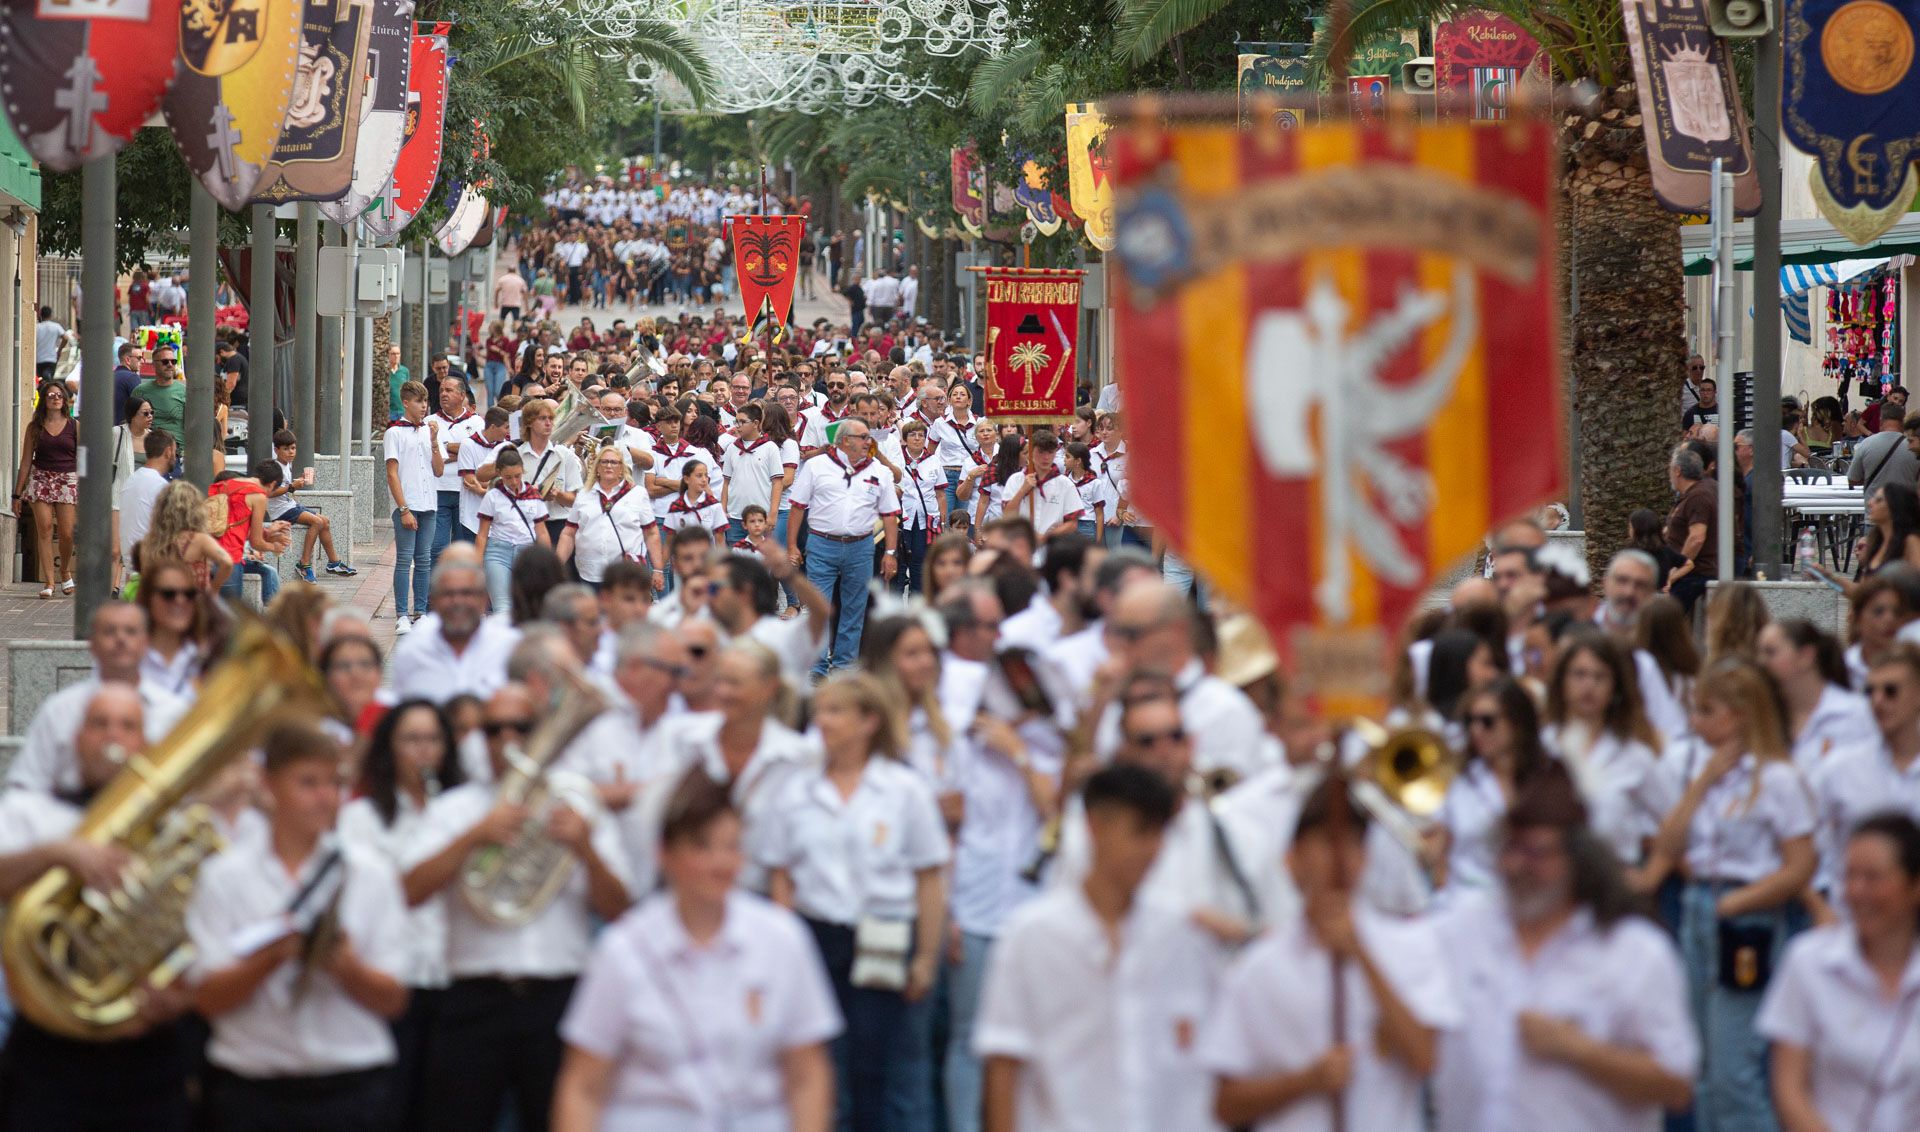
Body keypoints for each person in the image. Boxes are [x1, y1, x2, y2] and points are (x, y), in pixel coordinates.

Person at [402, 682, 635, 1132]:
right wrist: (473, 838)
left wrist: (586, 849)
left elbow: (621, 912)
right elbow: (408, 892)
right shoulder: (456, 809)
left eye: (521, 728)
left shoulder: (576, 806)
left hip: (559, 998)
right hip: (472, 998)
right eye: (493, 730)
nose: (507, 740)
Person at [552, 771, 840, 1132]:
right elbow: (583, 1085)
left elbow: (807, 1074)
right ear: (665, 853)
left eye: (732, 847)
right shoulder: (623, 949)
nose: (721, 863)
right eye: (703, 847)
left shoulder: (782, 940)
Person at [1431, 772, 1697, 1132]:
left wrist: (1579, 1050)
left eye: (1536, 853)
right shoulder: (1463, 929)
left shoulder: (1635, 951)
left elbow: (1676, 1084)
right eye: (1510, 849)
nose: (1517, 866)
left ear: (1578, 860)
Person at [1200, 775, 1460, 1132]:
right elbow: (1226, 1104)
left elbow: (1425, 1057)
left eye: (1352, 843)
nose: (1340, 858)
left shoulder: (1410, 946)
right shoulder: (1257, 969)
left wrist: (1362, 954)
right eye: (1325, 842)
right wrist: (1306, 1082)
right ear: (1293, 859)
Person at [186, 723, 412, 1132]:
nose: (326, 797)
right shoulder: (224, 876)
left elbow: (394, 1000)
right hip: (253, 1091)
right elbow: (207, 999)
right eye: (308, 783)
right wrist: (273, 955)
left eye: (334, 783)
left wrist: (345, 966)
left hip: (351, 1088)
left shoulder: (370, 873)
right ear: (268, 785)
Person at [975, 764, 1219, 1132]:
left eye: (1160, 834)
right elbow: (1004, 1062)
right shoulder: (1033, 935)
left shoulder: (1180, 935)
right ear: (1095, 827)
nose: (1152, 849)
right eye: (1139, 832)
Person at [0, 684, 197, 1131]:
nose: (113, 736)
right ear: (77, 740)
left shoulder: (175, 831)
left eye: (127, 726)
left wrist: (179, 996)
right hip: (49, 1049)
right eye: (99, 723)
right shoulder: (33, 813)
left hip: (147, 1053)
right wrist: (60, 854)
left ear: (144, 745)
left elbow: (204, 932)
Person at [759, 672, 950, 1132]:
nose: (823, 722)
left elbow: (928, 876)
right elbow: (781, 873)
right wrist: (784, 949)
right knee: (824, 1064)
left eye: (836, 711)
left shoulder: (904, 789)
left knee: (883, 1065)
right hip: (818, 933)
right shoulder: (796, 790)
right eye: (820, 712)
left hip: (884, 931)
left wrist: (926, 956)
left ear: (868, 721)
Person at [1645, 659, 1817, 1132]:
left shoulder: (1778, 779)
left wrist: (1739, 902)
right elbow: (1667, 844)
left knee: (1733, 1068)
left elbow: (1800, 864)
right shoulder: (1702, 770)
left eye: (1707, 711)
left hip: (1745, 915)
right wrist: (1701, 784)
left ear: (1739, 715)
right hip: (1698, 906)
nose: (1695, 721)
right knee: (1697, 1062)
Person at [338, 699, 467, 1129]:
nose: (423, 751)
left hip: (453, 979)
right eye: (411, 740)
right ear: (389, 750)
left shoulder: (466, 813)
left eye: (433, 739)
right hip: (394, 980)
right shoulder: (361, 818)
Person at [1759, 813, 1920, 1132]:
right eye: (1850, 877)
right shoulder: (1808, 962)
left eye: (1873, 878)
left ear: (1914, 886)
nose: (1857, 891)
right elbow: (1789, 1089)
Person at [1540, 631, 1678, 869]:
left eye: (1600, 677)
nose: (1589, 685)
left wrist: (1650, 876)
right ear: (1562, 681)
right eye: (1579, 674)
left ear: (1615, 686)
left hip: (1614, 875)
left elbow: (1675, 819)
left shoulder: (1633, 754)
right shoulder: (1542, 746)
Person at [1807, 645, 1920, 920]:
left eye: (1891, 691)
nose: (1878, 701)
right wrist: (1820, 910)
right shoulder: (1839, 768)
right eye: (1870, 692)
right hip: (1853, 921)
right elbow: (1800, 849)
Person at [785, 417, 900, 675]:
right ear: (845, 441)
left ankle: (844, 666)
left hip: (861, 546)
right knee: (819, 606)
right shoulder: (816, 466)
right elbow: (797, 506)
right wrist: (792, 546)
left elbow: (890, 514)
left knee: (854, 608)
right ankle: (816, 668)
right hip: (822, 544)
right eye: (864, 437)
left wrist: (890, 552)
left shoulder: (879, 470)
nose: (869, 442)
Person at [390, 559, 525, 704]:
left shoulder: (508, 647)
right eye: (448, 594)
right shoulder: (414, 650)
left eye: (467, 593)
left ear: (484, 600)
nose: (458, 601)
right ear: (433, 600)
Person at [1757, 619, 1878, 771]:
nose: (1761, 662)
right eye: (1759, 653)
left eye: (1770, 652)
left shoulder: (1853, 713)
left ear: (1805, 656)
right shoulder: (1764, 718)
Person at [385, 380, 446, 633]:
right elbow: (392, 473)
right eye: (419, 401)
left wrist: (434, 441)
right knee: (404, 559)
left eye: (425, 401)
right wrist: (404, 509)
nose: (424, 406)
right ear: (406, 402)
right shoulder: (394, 433)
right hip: (407, 505)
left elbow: (439, 470)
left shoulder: (428, 431)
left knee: (424, 560)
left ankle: (420, 612)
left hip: (429, 503)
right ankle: (401, 614)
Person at [14, 380, 79, 599]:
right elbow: (25, 461)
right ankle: (49, 582)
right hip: (40, 478)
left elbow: (83, 458)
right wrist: (17, 494)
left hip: (67, 478)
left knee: (67, 533)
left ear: (65, 400)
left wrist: (85, 484)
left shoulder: (74, 426)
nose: (56, 398)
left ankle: (65, 570)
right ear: (44, 400)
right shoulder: (35, 427)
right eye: (51, 395)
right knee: (44, 528)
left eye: (59, 395)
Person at [265, 429, 354, 580]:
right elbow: (269, 492)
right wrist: (291, 487)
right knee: (317, 522)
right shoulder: (275, 468)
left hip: (290, 505)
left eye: (293, 448)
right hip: (281, 511)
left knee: (325, 521)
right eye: (286, 449)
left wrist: (298, 482)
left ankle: (333, 563)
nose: (291, 452)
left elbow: (286, 488)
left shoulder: (287, 465)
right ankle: (304, 563)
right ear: (276, 450)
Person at [474, 447, 553, 614]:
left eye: (517, 476)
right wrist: (477, 563)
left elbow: (542, 532)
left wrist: (547, 560)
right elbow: (482, 534)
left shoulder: (533, 496)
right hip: (498, 551)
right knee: (502, 606)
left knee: (527, 603)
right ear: (499, 474)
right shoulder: (493, 496)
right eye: (508, 477)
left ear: (523, 471)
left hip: (526, 552)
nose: (514, 481)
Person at [1662, 446, 1716, 614]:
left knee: (1666, 618)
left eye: (1670, 469)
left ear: (1677, 470)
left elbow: (1696, 538)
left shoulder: (1698, 496)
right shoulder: (1691, 494)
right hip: (1688, 573)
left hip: (1693, 574)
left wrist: (1677, 569)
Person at [1849, 402, 1917, 503]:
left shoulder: (1866, 444)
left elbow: (1853, 479)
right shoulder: (1914, 447)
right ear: (1903, 421)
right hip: (1906, 510)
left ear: (1881, 420)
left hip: (1874, 510)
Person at [131, 341, 186, 455]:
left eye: (173, 361)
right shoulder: (140, 391)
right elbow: (131, 422)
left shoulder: (184, 392)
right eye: (165, 362)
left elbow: (193, 426)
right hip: (146, 451)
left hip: (175, 453)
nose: (170, 365)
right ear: (154, 364)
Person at [34, 305, 62, 380]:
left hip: (39, 358)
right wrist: (60, 350)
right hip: (51, 358)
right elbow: (65, 337)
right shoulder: (56, 326)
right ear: (50, 315)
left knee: (40, 380)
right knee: (48, 379)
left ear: (41, 315)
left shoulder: (37, 327)